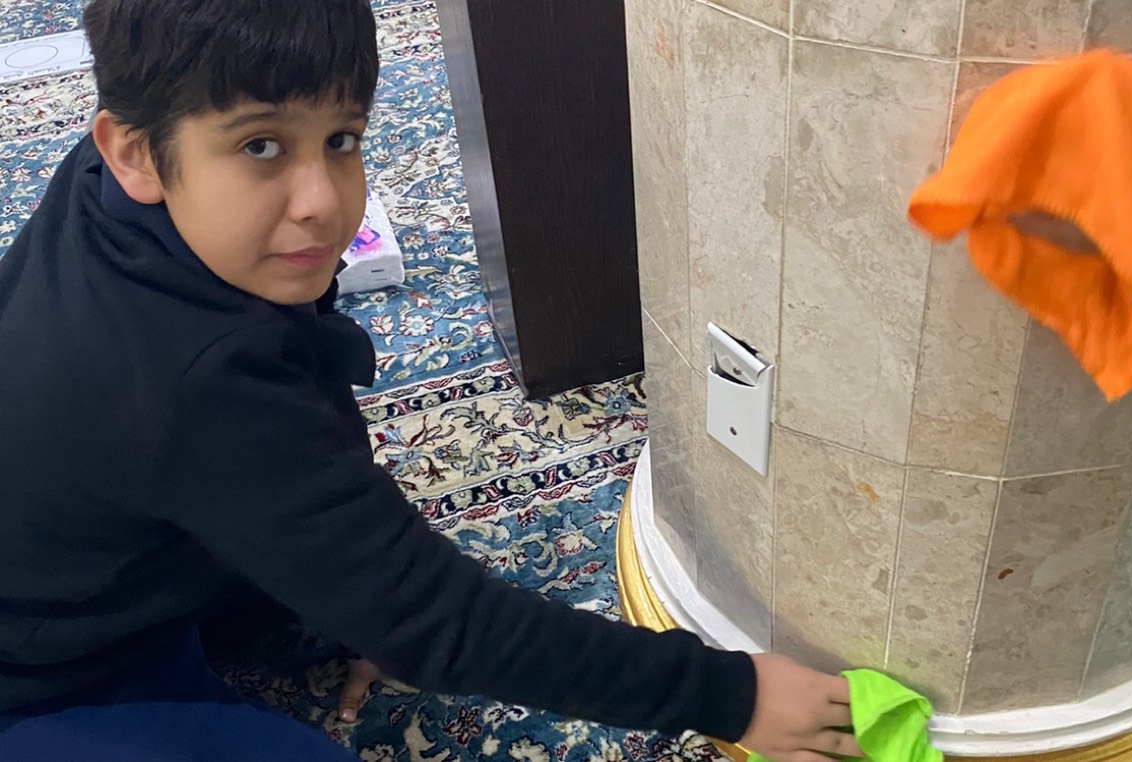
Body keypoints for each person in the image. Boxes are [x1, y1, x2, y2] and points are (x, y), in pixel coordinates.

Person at [0, 1, 861, 760]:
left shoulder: (123, 187)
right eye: (260, 146)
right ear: (133, 152)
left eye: (341, 139)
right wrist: (735, 697)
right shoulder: (193, 384)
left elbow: (298, 412)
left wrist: (352, 599)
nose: (322, 201)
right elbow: (440, 624)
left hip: (107, 560)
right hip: (40, 678)